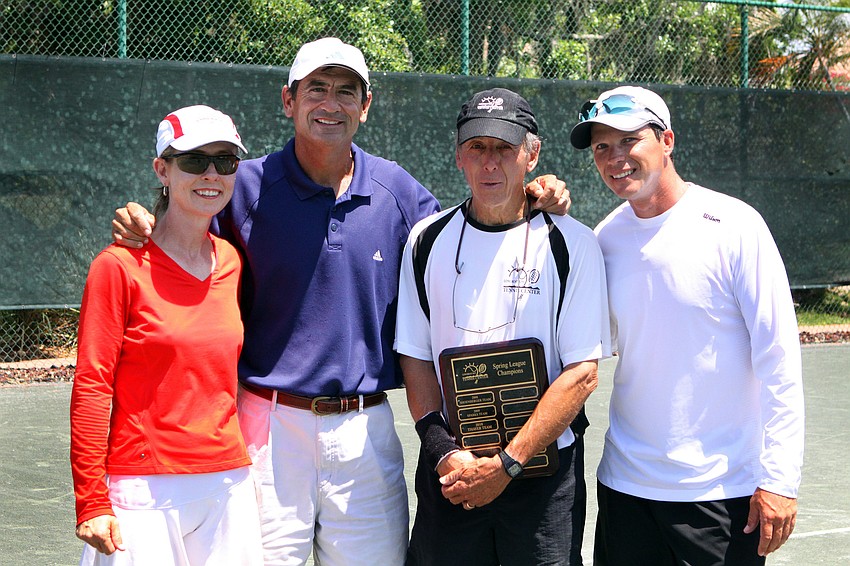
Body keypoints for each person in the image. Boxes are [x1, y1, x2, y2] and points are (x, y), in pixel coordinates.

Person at [110, 38, 571, 565]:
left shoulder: (397, 190)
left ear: (365, 106)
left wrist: (535, 193)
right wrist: (143, 216)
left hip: (365, 430)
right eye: (317, 90)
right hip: (267, 427)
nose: (331, 104)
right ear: (289, 100)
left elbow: (470, 229)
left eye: (346, 92)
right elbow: (182, 232)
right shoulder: (244, 185)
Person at [569, 86, 805, 565]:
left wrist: (779, 480)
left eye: (629, 140)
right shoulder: (604, 239)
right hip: (624, 489)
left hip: (720, 495)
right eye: (601, 147)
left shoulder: (735, 226)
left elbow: (779, 359)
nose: (616, 158)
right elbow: (592, 347)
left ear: (667, 140)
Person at [395, 87, 611, 565]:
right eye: (477, 147)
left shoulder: (574, 245)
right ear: (458, 156)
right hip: (452, 472)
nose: (490, 163)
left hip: (542, 480)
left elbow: (582, 373)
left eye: (504, 148)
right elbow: (415, 356)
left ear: (532, 155)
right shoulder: (425, 240)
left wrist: (507, 465)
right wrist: (443, 451)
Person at [70, 105, 263, 564]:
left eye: (225, 161)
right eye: (194, 160)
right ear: (163, 169)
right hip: (142, 489)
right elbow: (93, 385)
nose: (211, 173)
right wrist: (92, 500)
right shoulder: (116, 267)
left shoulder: (232, 262)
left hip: (227, 481)